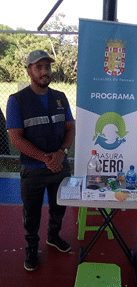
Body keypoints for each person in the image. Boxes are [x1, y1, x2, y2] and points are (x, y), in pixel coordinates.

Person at [6, 50, 75, 271]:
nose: (45, 71)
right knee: (31, 212)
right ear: (29, 71)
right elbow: (16, 137)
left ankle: (53, 237)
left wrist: (61, 152)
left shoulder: (60, 97)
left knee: (59, 207)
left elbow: (70, 128)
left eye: (47, 67)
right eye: (39, 67)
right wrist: (46, 158)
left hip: (60, 165)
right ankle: (31, 248)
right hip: (33, 168)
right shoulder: (17, 100)